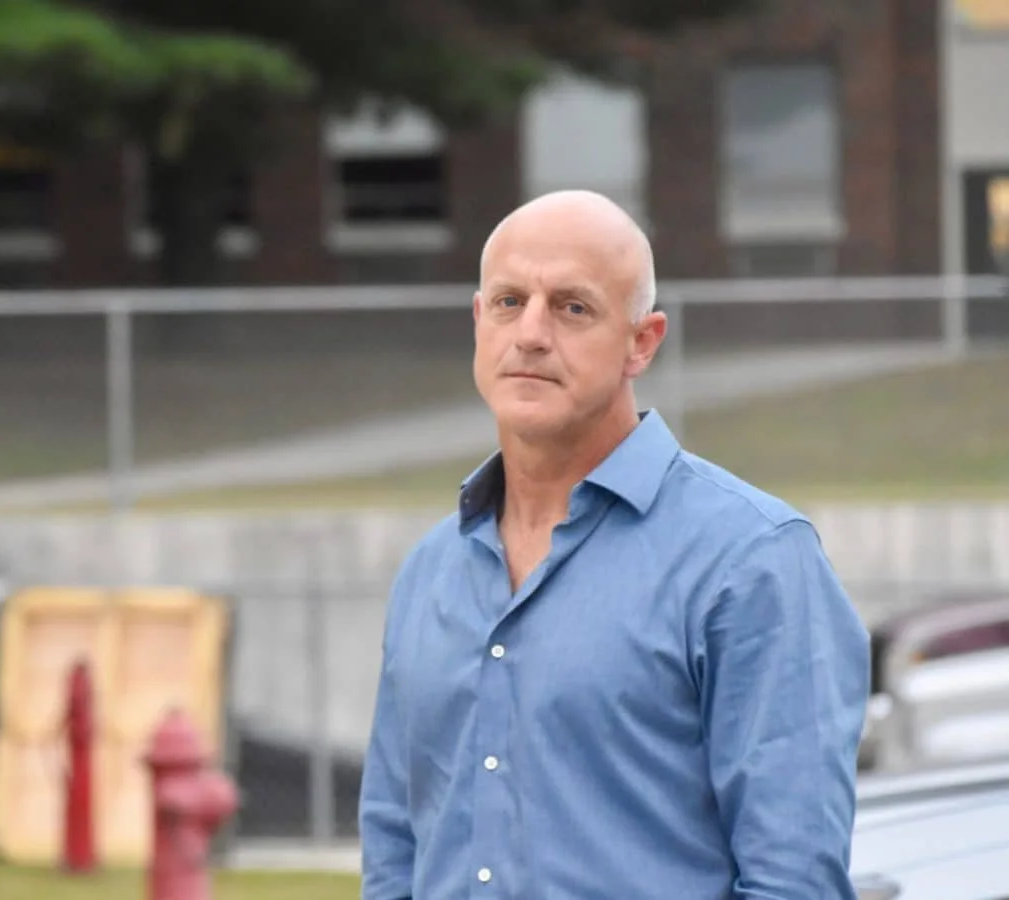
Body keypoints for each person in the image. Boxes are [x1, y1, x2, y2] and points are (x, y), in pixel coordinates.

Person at [358, 190, 871, 899]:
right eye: (509, 302)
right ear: (479, 322)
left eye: (573, 307)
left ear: (643, 341)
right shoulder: (429, 572)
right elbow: (394, 848)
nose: (531, 333)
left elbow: (794, 879)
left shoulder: (751, 561)